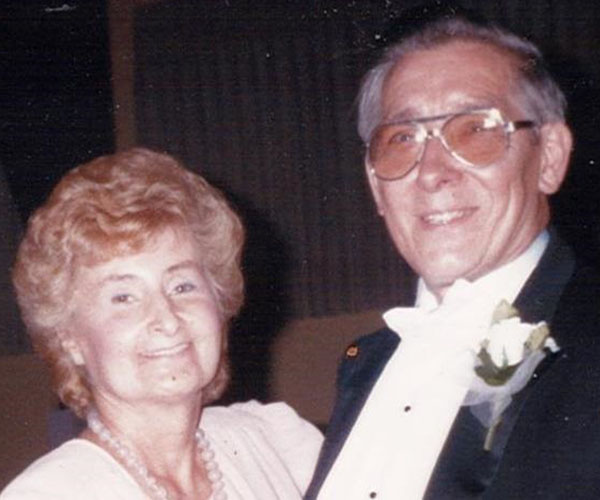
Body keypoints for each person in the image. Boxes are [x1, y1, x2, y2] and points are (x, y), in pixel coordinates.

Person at [306, 16, 600, 500]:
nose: (431, 173)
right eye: (402, 138)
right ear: (376, 185)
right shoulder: (364, 364)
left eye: (475, 130)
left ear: (548, 157)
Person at [1, 148, 322, 499]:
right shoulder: (48, 493)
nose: (167, 320)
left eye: (182, 286)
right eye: (124, 297)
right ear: (70, 339)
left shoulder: (277, 445)